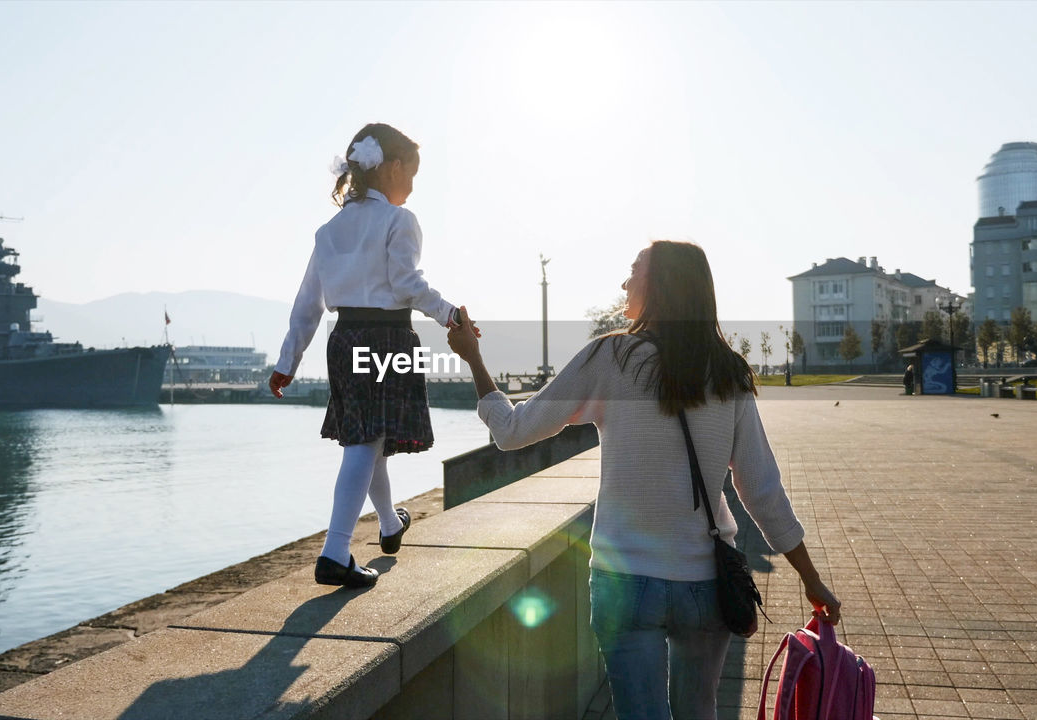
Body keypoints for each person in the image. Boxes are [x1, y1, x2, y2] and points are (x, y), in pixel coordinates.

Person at [447, 240, 840, 720]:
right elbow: (761, 489)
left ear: (659, 286)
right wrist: (810, 578)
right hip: (706, 582)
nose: (624, 282)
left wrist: (473, 358)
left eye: (634, 271)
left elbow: (512, 432)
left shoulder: (611, 358)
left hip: (624, 582)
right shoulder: (729, 373)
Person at [269, 123, 476, 588]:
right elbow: (407, 284)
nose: (412, 186)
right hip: (386, 338)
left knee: (369, 439)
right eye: (412, 175)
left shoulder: (328, 231)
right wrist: (449, 314)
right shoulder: (399, 221)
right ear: (393, 167)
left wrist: (286, 364)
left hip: (343, 340)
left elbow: (306, 305)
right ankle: (335, 552)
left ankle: (389, 525)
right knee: (365, 444)